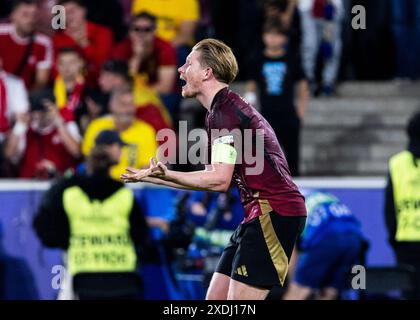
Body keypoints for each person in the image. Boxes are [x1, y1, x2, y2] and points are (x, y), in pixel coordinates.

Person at [121, 38, 307, 300]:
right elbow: (215, 177)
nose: (180, 70)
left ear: (207, 72)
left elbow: (218, 180)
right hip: (259, 214)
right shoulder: (222, 109)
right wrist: (161, 178)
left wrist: (168, 176)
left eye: (188, 63)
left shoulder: (224, 112)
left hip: (272, 212)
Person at [33, 145, 150, 299]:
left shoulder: (71, 194)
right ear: (111, 165)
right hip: (123, 276)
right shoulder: (124, 194)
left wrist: (71, 244)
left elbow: (50, 232)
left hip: (85, 277)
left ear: (87, 165)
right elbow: (141, 234)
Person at [246, 18, 309, 176]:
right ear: (263, 36)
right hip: (266, 115)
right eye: (269, 34)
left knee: (292, 158)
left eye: (277, 35)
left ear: (285, 38)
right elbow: (251, 86)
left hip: (288, 114)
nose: (272, 38)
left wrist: (301, 110)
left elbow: (302, 85)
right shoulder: (257, 59)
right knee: (265, 159)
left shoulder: (291, 58)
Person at [283, 190, 365, 300]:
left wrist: (295, 283)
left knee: (298, 292)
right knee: (330, 292)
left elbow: (290, 253)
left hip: (327, 236)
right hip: (353, 238)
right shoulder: (320, 195)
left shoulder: (285, 205)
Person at [111, 11, 179, 122]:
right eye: (137, 29)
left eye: (147, 29)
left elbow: (165, 87)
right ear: (130, 31)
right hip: (129, 93)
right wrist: (137, 57)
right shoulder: (121, 49)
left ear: (154, 31)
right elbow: (122, 83)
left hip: (159, 95)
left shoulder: (165, 48)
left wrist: (143, 94)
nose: (141, 34)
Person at [82, 86, 158, 181]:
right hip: (100, 182)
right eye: (123, 104)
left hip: (132, 185)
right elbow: (89, 161)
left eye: (131, 104)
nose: (128, 110)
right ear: (111, 105)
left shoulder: (146, 131)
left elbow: (148, 168)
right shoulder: (97, 126)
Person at [5, 89, 81, 179]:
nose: (38, 115)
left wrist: (59, 123)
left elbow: (77, 152)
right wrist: (20, 125)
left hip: (59, 182)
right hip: (28, 184)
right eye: (35, 110)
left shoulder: (67, 124)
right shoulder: (25, 128)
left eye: (43, 110)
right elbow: (9, 155)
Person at [385, 110, 420, 299]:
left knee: (410, 294)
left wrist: (394, 239)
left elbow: (389, 208)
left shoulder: (397, 163)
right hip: (405, 242)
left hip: (406, 242)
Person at [53, 0, 113, 88]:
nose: (69, 16)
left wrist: (86, 46)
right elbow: (55, 71)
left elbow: (103, 65)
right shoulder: (58, 39)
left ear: (84, 10)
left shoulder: (102, 33)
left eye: (72, 11)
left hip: (98, 87)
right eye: (64, 13)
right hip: (66, 88)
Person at [0, 0, 53, 91]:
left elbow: (41, 81)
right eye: (25, 15)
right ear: (13, 16)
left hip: (25, 94)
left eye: (33, 16)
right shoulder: (1, 33)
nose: (30, 20)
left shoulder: (43, 43)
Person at [297, 0, 344, 96]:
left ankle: (328, 82)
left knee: (331, 47)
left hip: (331, 8)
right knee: (310, 45)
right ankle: (308, 80)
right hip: (308, 8)